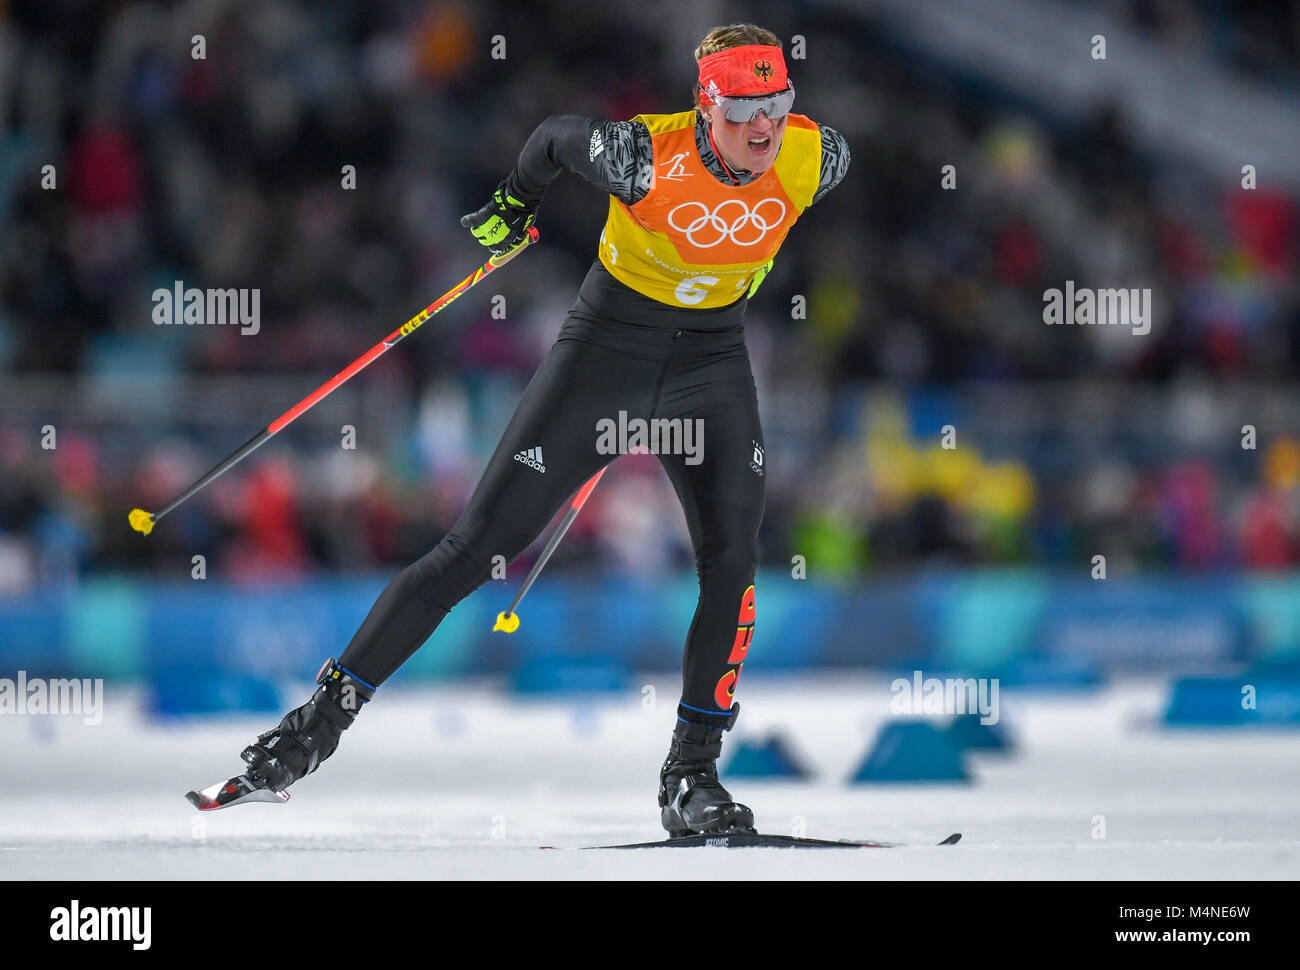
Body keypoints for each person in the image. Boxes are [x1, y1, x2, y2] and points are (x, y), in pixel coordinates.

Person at [231, 23, 850, 837]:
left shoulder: (818, 155)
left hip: (710, 367)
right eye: (743, 110)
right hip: (607, 358)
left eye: (777, 106)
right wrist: (511, 206)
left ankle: (691, 776)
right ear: (706, 108)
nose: (764, 128)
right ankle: (318, 725)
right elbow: (553, 138)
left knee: (733, 556)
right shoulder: (641, 157)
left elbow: (806, 205)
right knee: (475, 550)